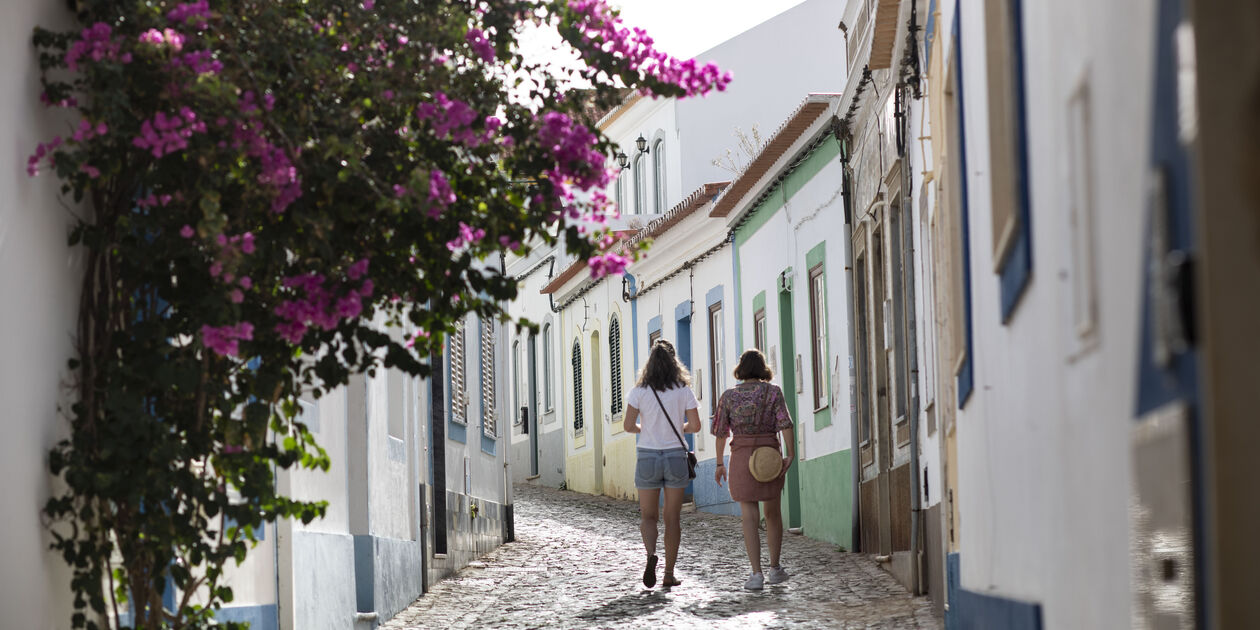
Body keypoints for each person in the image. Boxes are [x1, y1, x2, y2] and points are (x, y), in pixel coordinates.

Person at [712, 348, 795, 590]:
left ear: (741, 370)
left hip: (741, 457)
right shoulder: (773, 392)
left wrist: (719, 463)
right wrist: (790, 453)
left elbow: (720, 433)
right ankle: (775, 569)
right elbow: (785, 424)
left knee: (749, 515)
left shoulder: (728, 397)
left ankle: (756, 574)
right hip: (768, 457)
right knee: (773, 513)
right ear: (762, 369)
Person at [622, 339, 701, 588]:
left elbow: (628, 426)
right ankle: (668, 573)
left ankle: (650, 555)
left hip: (647, 456)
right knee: (672, 518)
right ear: (674, 363)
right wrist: (678, 426)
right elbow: (695, 425)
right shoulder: (683, 390)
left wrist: (645, 429)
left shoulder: (639, 392)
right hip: (675, 456)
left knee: (648, 516)